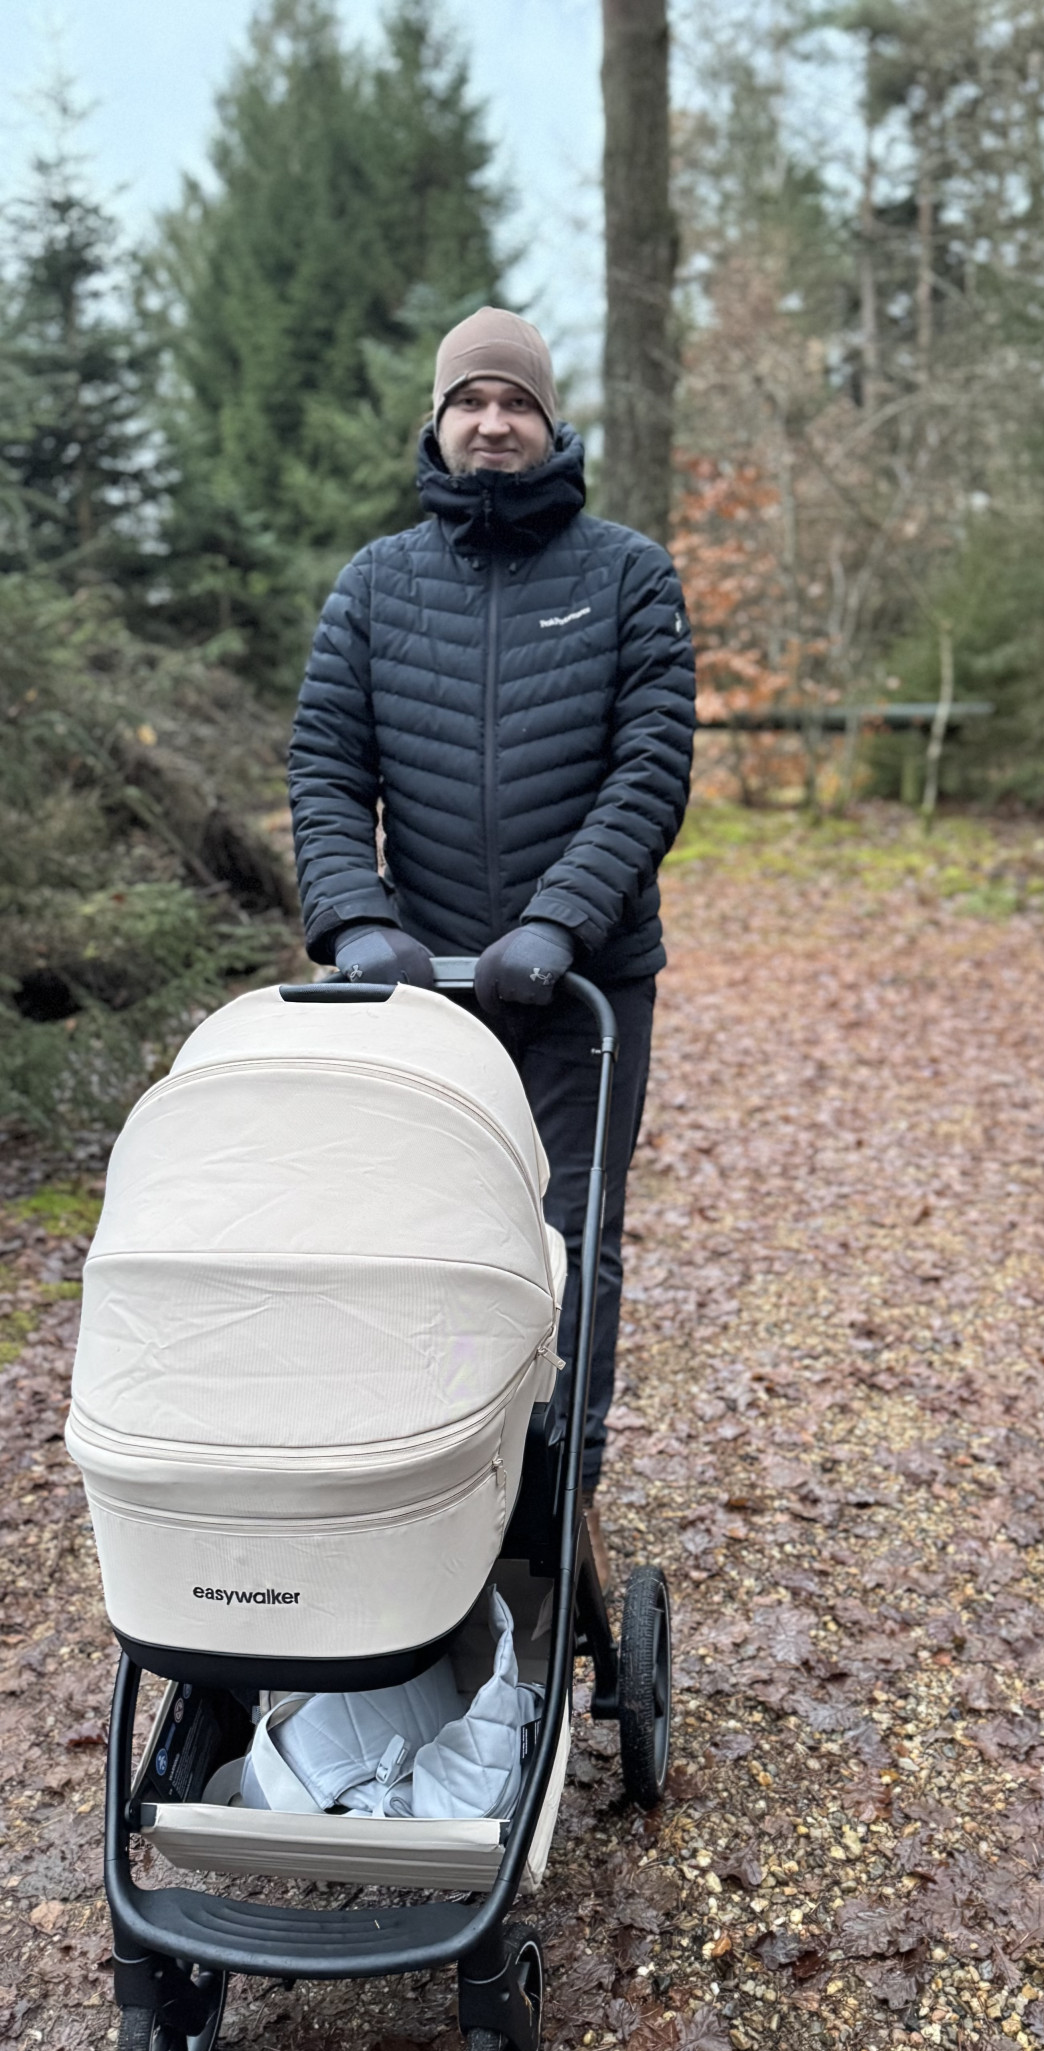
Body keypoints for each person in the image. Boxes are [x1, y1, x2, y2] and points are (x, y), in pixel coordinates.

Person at [287, 307, 695, 1552]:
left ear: (550, 421)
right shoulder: (376, 584)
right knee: (419, 1237)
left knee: (568, 1234)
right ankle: (424, 1467)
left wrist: (562, 921)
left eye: (516, 401)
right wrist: (359, 922)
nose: (494, 422)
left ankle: (554, 1493)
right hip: (419, 989)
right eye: (471, 400)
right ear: (439, 421)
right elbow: (325, 766)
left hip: (583, 988)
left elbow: (650, 768)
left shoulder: (628, 575)